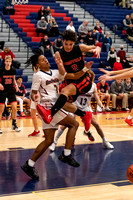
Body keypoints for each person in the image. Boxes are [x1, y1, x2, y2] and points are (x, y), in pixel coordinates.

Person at [21, 50, 80, 180]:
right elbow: (33, 92)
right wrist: (35, 96)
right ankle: (66, 154)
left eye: (45, 58)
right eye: (42, 60)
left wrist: (62, 64)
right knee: (74, 124)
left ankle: (29, 164)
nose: (46, 60)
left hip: (52, 108)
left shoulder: (54, 72)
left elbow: (67, 76)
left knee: (48, 140)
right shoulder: (38, 75)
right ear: (38, 64)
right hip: (49, 107)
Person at [36, 30, 101, 128]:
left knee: (64, 92)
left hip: (84, 79)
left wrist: (98, 49)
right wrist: (60, 65)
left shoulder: (79, 48)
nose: (68, 47)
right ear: (62, 42)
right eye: (66, 44)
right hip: (71, 79)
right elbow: (63, 74)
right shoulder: (59, 54)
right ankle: (84, 114)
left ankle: (50, 114)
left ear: (74, 43)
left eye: (71, 44)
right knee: (61, 102)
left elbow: (95, 47)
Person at [49, 71, 114, 151]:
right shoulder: (78, 85)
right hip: (75, 106)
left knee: (96, 124)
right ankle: (54, 142)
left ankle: (105, 141)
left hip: (85, 107)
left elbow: (97, 97)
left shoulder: (93, 86)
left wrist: (101, 105)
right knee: (65, 125)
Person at [0, 56, 21, 133]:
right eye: (7, 61)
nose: (8, 63)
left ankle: (14, 124)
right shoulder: (1, 70)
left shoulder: (13, 70)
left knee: (15, 108)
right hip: (2, 91)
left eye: (10, 61)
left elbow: (13, 79)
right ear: (5, 62)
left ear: (11, 62)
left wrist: (16, 85)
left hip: (11, 91)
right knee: (1, 109)